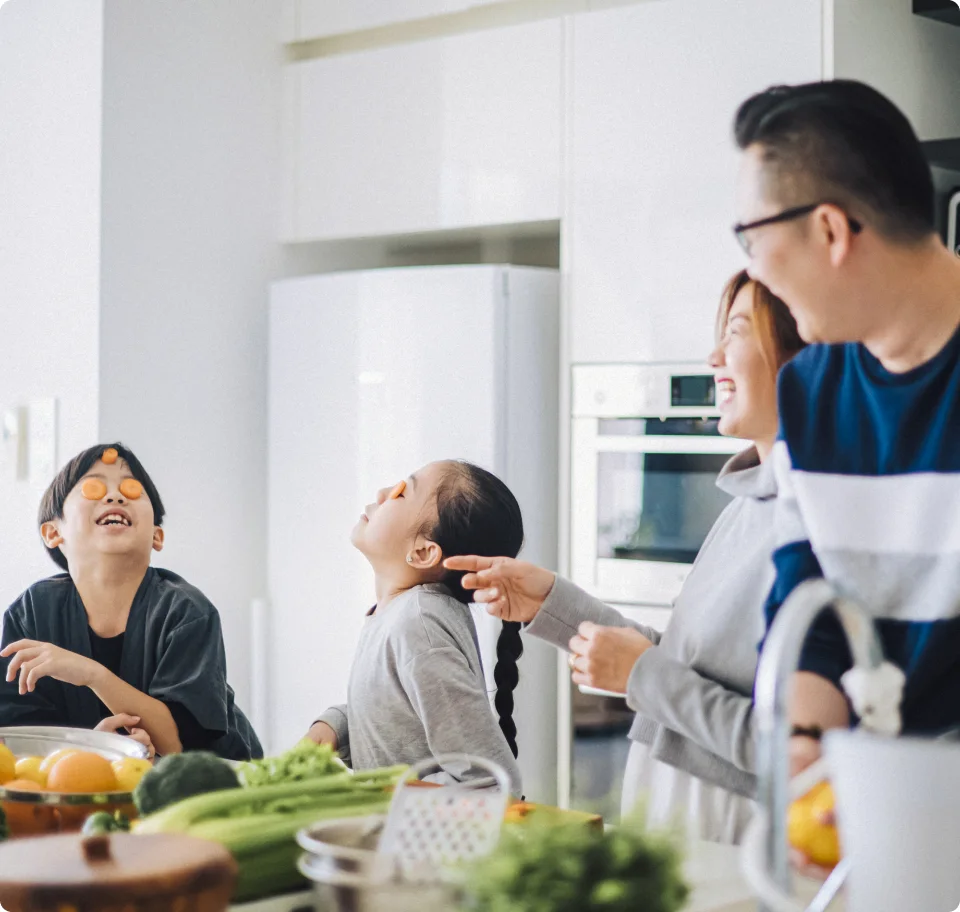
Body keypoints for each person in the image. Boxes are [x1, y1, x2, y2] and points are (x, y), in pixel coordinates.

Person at [446, 272, 805, 843]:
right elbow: (684, 671)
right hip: (678, 820)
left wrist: (642, 674)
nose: (713, 356)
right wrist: (553, 604)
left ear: (808, 350)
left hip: (741, 839)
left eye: (736, 331)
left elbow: (799, 752)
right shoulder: (749, 502)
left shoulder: (818, 523)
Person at [732, 81, 960, 786]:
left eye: (752, 236)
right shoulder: (810, 392)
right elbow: (812, 608)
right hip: (881, 810)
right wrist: (804, 748)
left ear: (830, 230)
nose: (751, 268)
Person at [0, 443, 262, 761]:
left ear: (156, 536)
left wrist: (94, 675)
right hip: (87, 785)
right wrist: (91, 749)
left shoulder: (187, 611)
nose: (115, 496)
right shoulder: (31, 612)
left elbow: (181, 742)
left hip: (211, 779)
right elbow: (19, 739)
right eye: (93, 486)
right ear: (54, 533)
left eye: (131, 488)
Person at [307, 460, 523, 795]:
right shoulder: (401, 615)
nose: (383, 493)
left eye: (402, 492)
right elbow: (399, 711)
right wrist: (336, 725)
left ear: (423, 552)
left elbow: (489, 782)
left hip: (421, 843)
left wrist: (384, 798)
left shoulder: (419, 624)